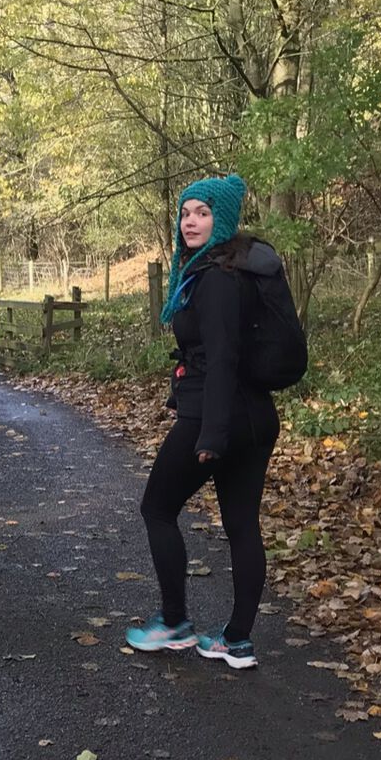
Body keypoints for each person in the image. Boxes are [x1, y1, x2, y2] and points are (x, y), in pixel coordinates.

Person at [125, 173, 283, 669]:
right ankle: (236, 640)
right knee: (241, 525)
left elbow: (222, 359)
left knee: (157, 509)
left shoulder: (215, 279)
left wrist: (211, 434)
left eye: (203, 213)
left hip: (213, 418)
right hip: (256, 417)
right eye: (186, 212)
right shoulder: (242, 269)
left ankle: (174, 624)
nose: (191, 222)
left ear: (224, 220)